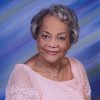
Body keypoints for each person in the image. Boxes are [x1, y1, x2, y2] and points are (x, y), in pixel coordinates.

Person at [5, 5, 91, 100]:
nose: (52, 44)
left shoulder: (76, 67)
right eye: (46, 36)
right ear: (36, 36)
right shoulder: (23, 76)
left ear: (70, 41)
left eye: (61, 38)